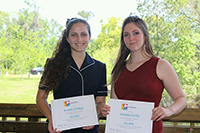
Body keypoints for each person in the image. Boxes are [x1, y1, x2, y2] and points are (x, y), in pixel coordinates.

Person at [101, 16, 187, 133]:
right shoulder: (118, 69)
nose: (131, 38)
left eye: (136, 33)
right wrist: (108, 111)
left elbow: (181, 99)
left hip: (152, 129)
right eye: (126, 35)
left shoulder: (161, 65)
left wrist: (168, 111)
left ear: (145, 35)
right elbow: (116, 105)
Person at [36, 18, 108, 133]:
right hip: (59, 129)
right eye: (74, 35)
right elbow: (41, 97)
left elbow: (100, 101)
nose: (79, 39)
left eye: (83, 34)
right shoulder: (53, 64)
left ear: (89, 37)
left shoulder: (99, 67)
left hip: (88, 129)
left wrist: (96, 116)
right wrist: (51, 117)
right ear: (67, 39)